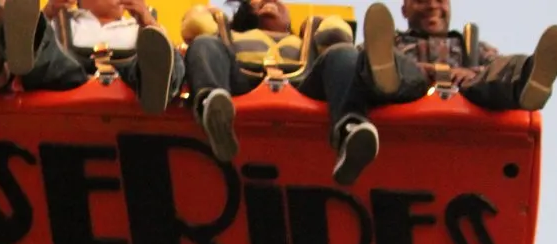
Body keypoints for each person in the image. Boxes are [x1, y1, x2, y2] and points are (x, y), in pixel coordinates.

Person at [182, 1, 430, 185]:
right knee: (204, 44)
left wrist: (328, 27)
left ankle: (351, 130)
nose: (269, 1)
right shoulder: (230, 35)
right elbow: (195, 28)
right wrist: (207, 17)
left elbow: (337, 37)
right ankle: (213, 110)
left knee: (343, 52)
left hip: (302, 85)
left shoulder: (306, 37)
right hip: (242, 82)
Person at [0, 0, 185, 115]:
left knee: (162, 51)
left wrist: (147, 20)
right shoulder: (62, 19)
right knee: (53, 56)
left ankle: (155, 88)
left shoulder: (142, 25)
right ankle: (3, 57)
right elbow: (44, 42)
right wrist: (49, 12)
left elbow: (167, 49)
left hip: (133, 78)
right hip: (68, 78)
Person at [388, 0, 557, 112]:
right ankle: (385, 75)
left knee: (501, 70)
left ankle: (529, 79)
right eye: (421, 0)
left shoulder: (472, 47)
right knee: (392, 68)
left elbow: (495, 67)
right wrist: (423, 71)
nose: (432, 5)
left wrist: (472, 73)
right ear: (404, 10)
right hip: (408, 91)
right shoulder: (392, 45)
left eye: (440, 0)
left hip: (468, 96)